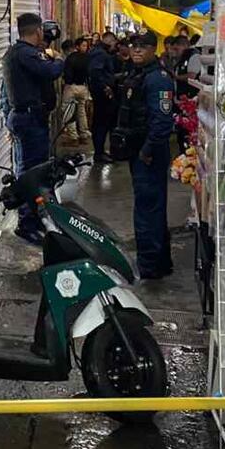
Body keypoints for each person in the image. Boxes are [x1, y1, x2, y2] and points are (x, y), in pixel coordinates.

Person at [116, 31, 175, 278]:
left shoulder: (158, 79)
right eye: (134, 46)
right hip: (139, 149)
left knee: (148, 209)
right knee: (149, 206)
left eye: (143, 46)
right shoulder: (138, 74)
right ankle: (157, 262)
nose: (137, 50)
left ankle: (150, 266)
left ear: (153, 49)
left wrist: (148, 149)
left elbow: (162, 121)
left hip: (149, 152)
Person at [3, 13, 64, 244]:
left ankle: (34, 218)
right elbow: (51, 72)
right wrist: (59, 59)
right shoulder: (25, 54)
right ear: (38, 31)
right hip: (29, 120)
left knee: (33, 170)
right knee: (31, 173)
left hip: (26, 118)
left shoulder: (14, 53)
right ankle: (27, 223)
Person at [87, 31, 118, 164]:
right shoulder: (100, 54)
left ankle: (100, 152)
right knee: (101, 124)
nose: (115, 46)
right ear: (110, 41)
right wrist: (105, 87)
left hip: (100, 93)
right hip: (102, 95)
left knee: (102, 123)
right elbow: (95, 72)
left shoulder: (99, 52)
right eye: (114, 42)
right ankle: (99, 153)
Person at [61, 38, 91, 143]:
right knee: (81, 111)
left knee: (68, 111)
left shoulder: (70, 58)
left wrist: (66, 81)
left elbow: (68, 75)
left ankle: (73, 136)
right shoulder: (86, 58)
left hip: (71, 87)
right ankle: (84, 134)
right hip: (83, 87)